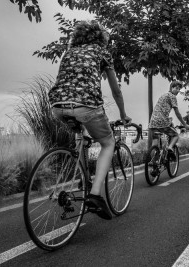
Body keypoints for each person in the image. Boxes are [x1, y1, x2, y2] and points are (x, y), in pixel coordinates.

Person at [48, 20, 131, 220]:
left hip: (57, 106)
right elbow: (116, 91)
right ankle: (94, 195)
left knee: (80, 134)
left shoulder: (69, 52)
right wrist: (122, 114)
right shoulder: (102, 52)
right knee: (108, 142)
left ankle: (82, 179)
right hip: (86, 105)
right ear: (101, 39)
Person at [148, 81, 189, 161]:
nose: (178, 90)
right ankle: (170, 148)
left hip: (153, 122)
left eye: (179, 89)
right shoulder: (172, 96)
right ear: (171, 88)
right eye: (176, 88)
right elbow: (177, 113)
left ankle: (153, 162)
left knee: (155, 142)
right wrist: (185, 125)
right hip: (162, 122)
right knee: (175, 135)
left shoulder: (163, 95)